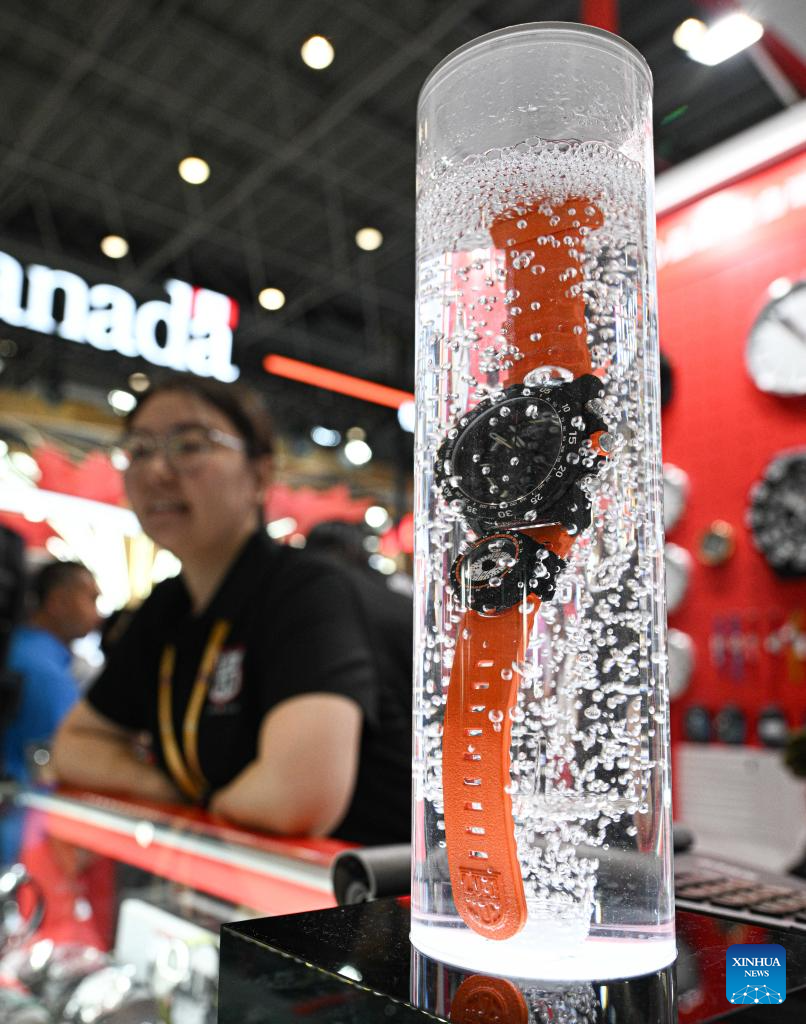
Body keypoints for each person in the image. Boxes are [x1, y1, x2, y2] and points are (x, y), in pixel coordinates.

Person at [52, 377, 411, 845]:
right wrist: (176, 798)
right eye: (139, 449)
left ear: (260, 475)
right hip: (246, 875)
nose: (156, 470)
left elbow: (296, 800)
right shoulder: (167, 606)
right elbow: (74, 747)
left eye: (190, 445)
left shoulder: (306, 590)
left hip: (372, 883)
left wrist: (199, 811)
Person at [1, 561, 101, 783]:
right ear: (58, 602)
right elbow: (67, 761)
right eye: (92, 599)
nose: (98, 614)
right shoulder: (45, 672)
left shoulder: (20, 646)